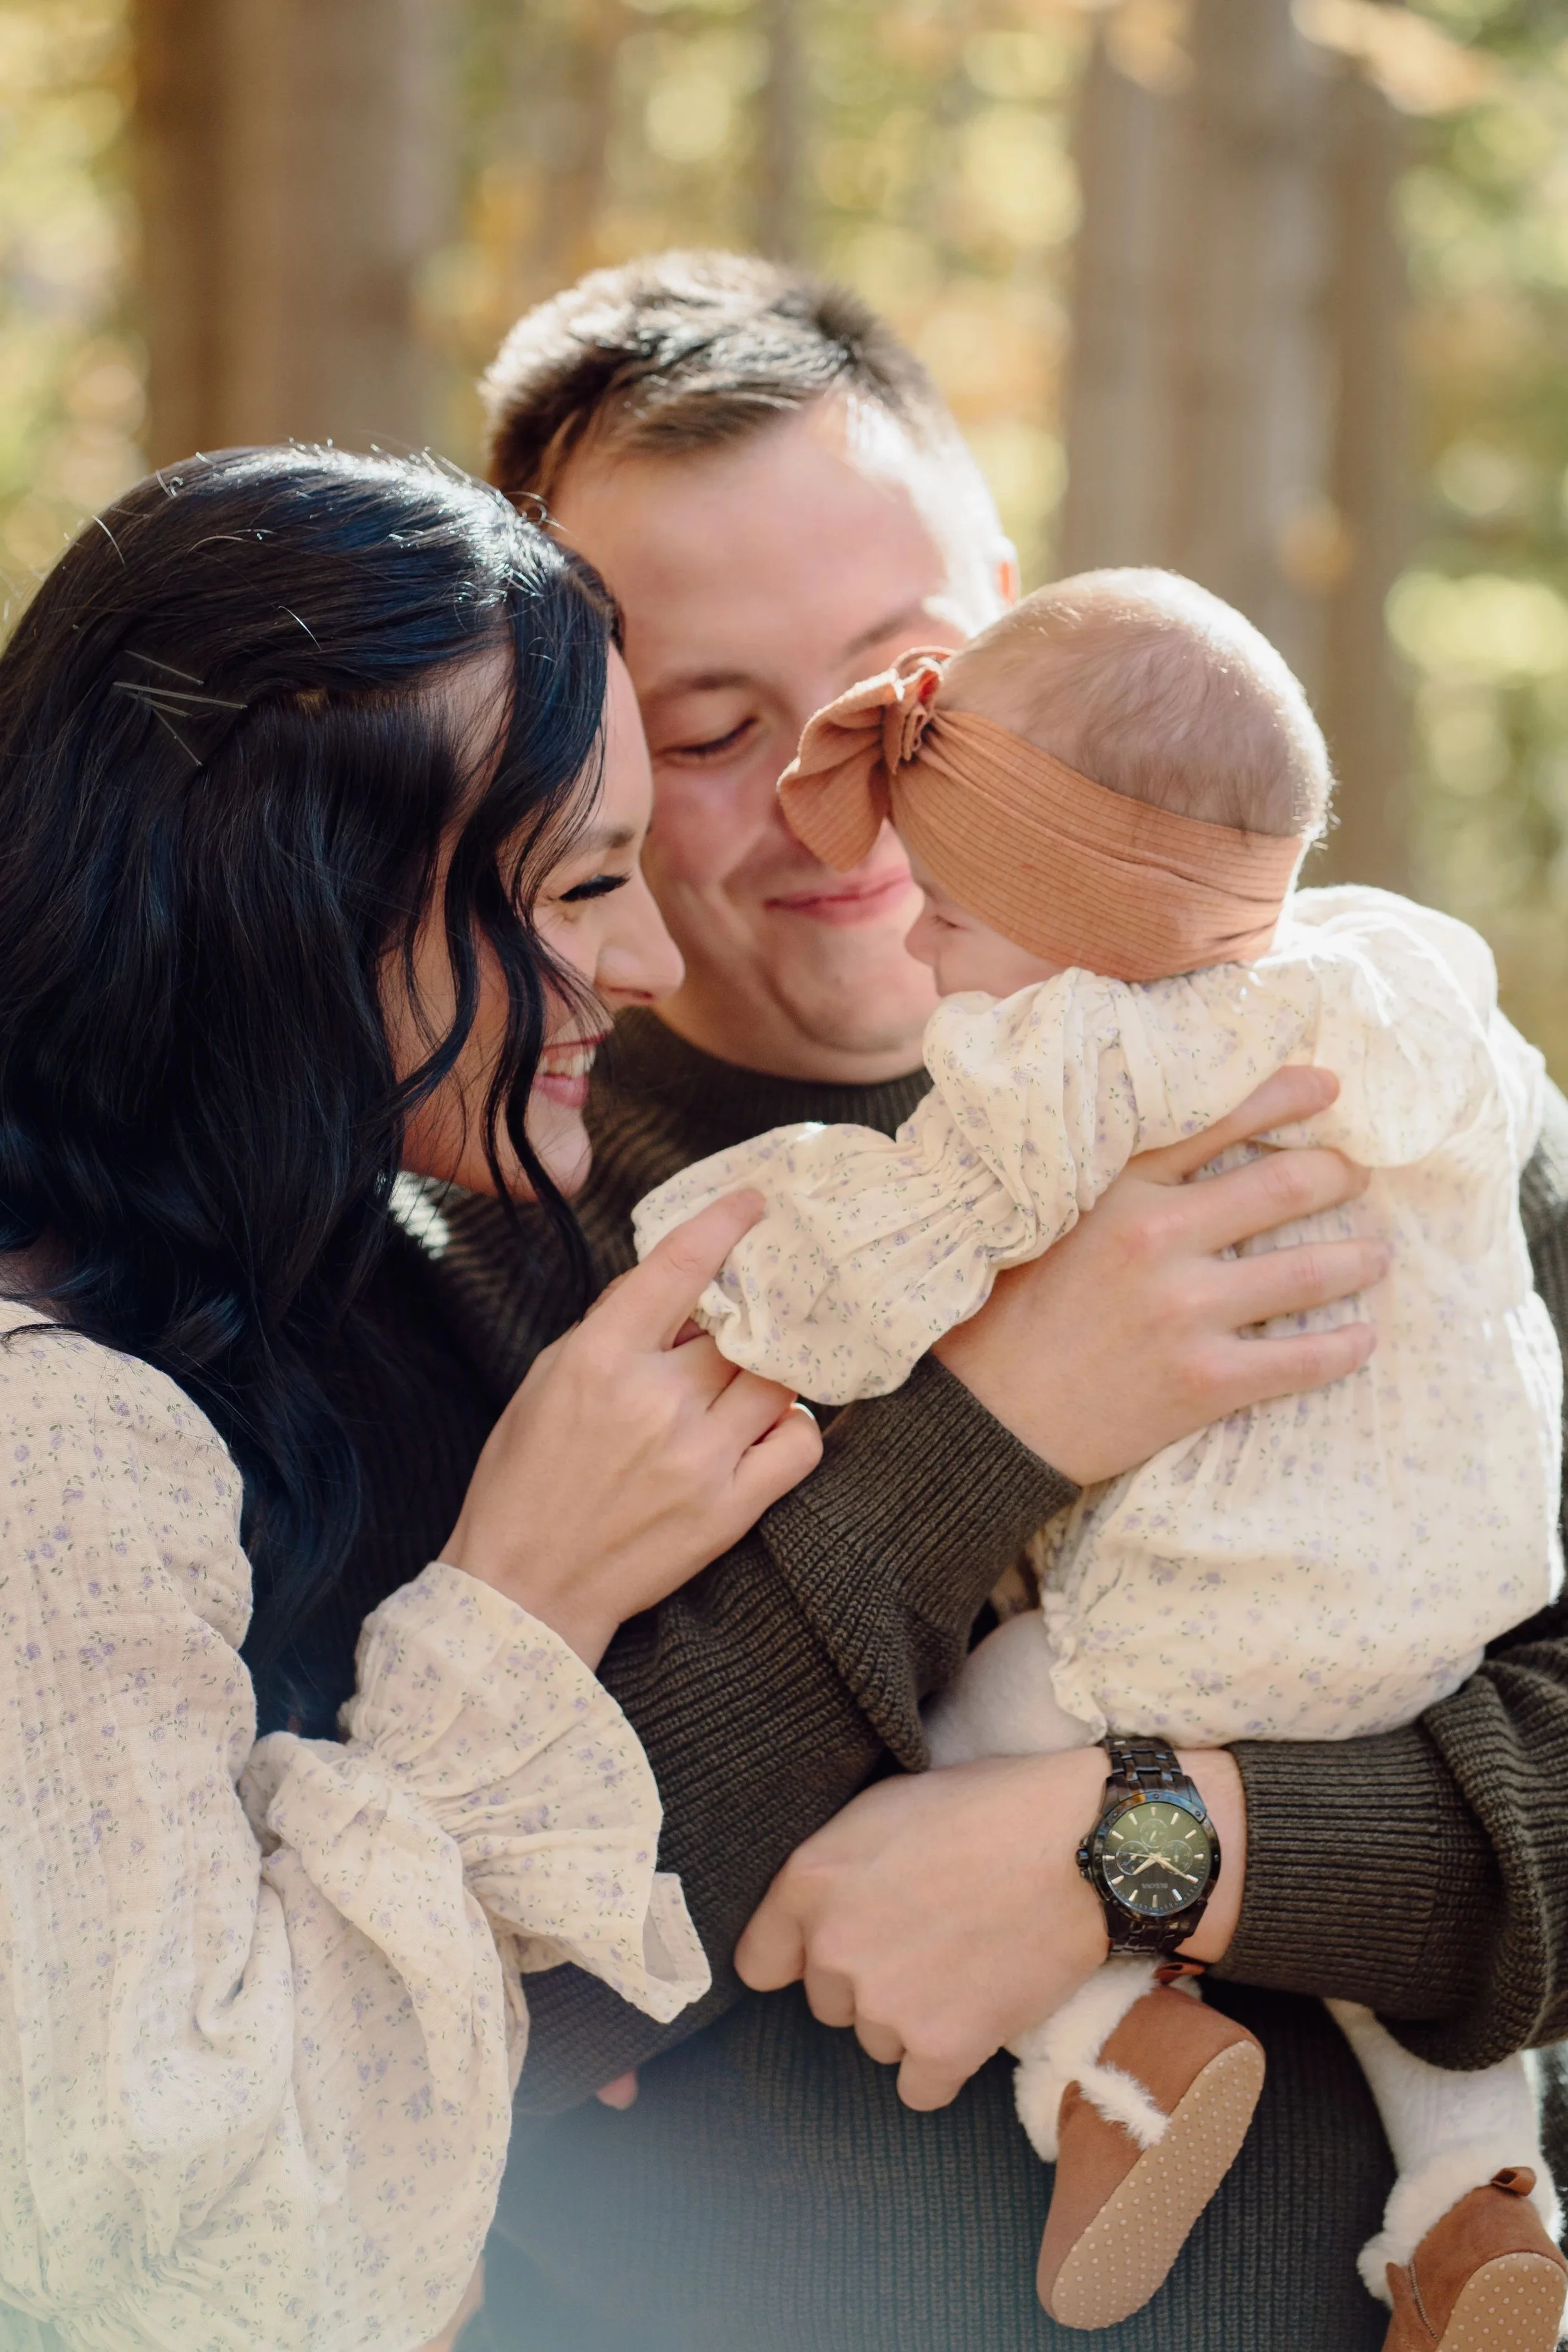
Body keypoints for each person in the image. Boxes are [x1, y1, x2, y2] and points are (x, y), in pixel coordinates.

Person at [455, 253, 1568, 2352]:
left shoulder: (1383, 1088)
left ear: (1029, 610)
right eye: (711, 731)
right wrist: (997, 1422)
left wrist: (1138, 1842)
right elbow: (488, 1962)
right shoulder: (495, 1223)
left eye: (911, 685)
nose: (850, 809)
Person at [0, 444, 827, 2351]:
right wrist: (515, 1611)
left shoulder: (344, 1279)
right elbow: (204, 2279)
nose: (651, 959)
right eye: (587, 880)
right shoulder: (55, 1437)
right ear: (303, 882)